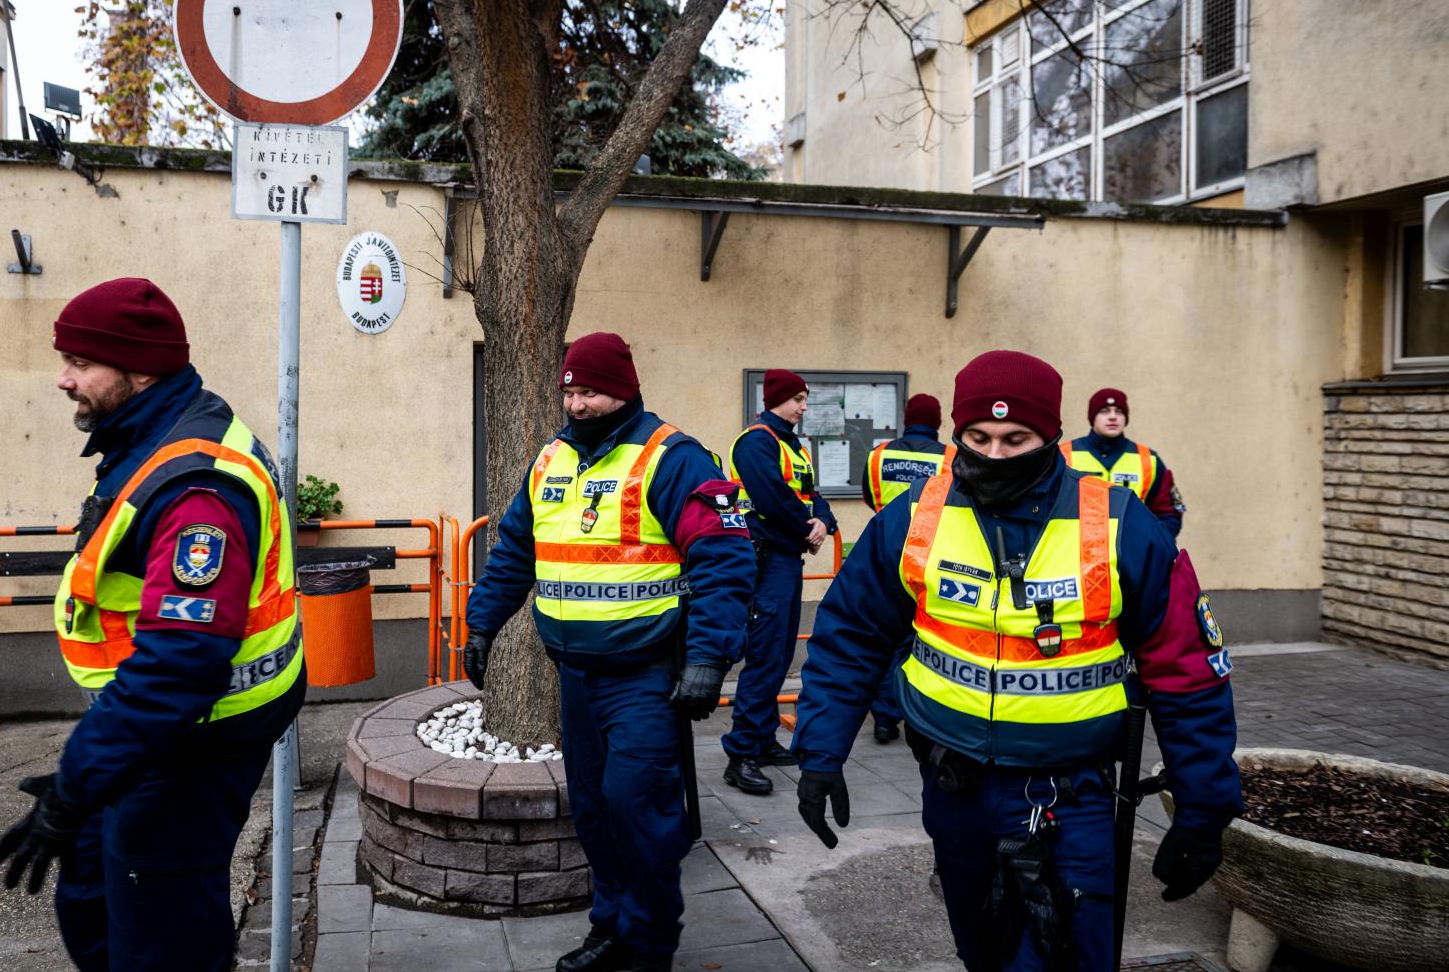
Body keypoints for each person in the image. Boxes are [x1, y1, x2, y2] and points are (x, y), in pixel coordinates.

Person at [792, 350, 1241, 972]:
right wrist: (820, 752)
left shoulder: (1118, 523)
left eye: (1015, 438)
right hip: (955, 789)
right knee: (983, 950)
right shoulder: (914, 517)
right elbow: (851, 637)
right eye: (977, 437)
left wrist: (1203, 808)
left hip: (1071, 794)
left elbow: (1187, 675)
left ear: (1052, 435)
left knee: (1067, 956)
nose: (995, 455)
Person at [0, 278, 305, 972]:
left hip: (190, 742)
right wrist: (90, 774)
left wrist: (76, 781)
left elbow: (179, 665)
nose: (63, 379)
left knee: (162, 941)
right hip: (153, 734)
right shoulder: (152, 437)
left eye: (79, 362)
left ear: (140, 367)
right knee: (93, 894)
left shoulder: (197, 487)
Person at [462, 332, 753, 972]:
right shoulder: (551, 462)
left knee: (636, 807)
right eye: (569, 391)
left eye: (589, 391)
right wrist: (482, 623)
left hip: (648, 674)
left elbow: (724, 562)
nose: (577, 404)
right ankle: (612, 928)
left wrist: (708, 659)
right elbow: (515, 550)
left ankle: (649, 945)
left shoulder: (672, 459)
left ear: (624, 389)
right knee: (593, 810)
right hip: (576, 673)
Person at [721, 369, 837, 795]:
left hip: (784, 559)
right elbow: (772, 498)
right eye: (798, 399)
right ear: (777, 399)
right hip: (766, 560)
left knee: (781, 651)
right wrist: (808, 528)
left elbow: (812, 493)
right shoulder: (757, 442)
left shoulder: (792, 445)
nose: (804, 407)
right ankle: (742, 754)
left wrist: (823, 521)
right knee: (767, 654)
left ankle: (762, 738)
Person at [860, 392, 954, 744]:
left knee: (883, 636)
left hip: (885, 551)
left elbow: (870, 495)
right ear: (938, 422)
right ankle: (912, 711)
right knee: (920, 639)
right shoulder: (951, 458)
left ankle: (883, 717)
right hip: (931, 556)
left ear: (906, 418)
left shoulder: (879, 455)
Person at [1061, 388, 1185, 537]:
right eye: (1104, 411)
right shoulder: (1063, 454)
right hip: (1074, 555)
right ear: (1092, 417)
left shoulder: (1148, 460)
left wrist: (1150, 546)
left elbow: (1169, 512)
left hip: (1131, 556)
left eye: (1119, 411)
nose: (1113, 417)